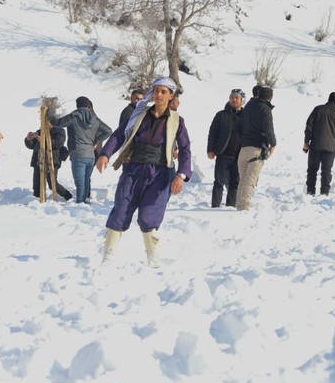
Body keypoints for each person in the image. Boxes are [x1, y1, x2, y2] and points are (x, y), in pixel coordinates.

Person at [96, 77, 192, 267]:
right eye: (156, 90)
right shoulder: (139, 115)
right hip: (133, 170)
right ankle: (108, 255)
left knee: (149, 215)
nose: (158, 95)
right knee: (121, 209)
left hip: (160, 173)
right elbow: (118, 134)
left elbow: (186, 149)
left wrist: (182, 174)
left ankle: (152, 256)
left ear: (171, 95)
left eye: (163, 91)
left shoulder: (177, 121)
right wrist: (105, 153)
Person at [47, 96, 112, 204]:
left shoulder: (73, 116)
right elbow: (108, 131)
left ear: (77, 105)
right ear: (88, 105)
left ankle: (80, 203)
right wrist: (96, 140)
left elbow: (57, 123)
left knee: (80, 182)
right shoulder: (95, 119)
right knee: (86, 180)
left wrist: (48, 113)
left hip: (78, 153)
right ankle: (84, 201)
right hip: (91, 155)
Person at [234, 86, 276, 210]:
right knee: (250, 181)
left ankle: (239, 206)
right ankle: (244, 208)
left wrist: (244, 139)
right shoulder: (265, 109)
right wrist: (273, 144)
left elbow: (237, 127)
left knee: (243, 180)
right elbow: (268, 129)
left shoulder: (247, 107)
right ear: (270, 98)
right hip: (256, 149)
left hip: (243, 149)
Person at [303, 92, 335, 195]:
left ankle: (310, 192)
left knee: (312, 170)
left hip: (315, 146)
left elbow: (308, 126)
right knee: (326, 171)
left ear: (328, 99)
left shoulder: (318, 109)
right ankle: (324, 193)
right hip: (331, 148)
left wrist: (306, 142)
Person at [206, 88, 244, 208]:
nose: (233, 100)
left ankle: (230, 208)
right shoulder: (221, 115)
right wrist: (210, 149)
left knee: (234, 183)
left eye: (236, 97)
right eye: (232, 97)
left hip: (239, 155)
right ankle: (215, 206)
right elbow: (213, 133)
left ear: (242, 100)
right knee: (218, 182)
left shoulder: (246, 116)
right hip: (223, 154)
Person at [24, 127, 72, 201]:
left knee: (52, 182)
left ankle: (67, 195)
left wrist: (43, 141)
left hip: (52, 159)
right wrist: (28, 139)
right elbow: (32, 145)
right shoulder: (40, 131)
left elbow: (58, 143)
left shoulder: (59, 131)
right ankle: (37, 200)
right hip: (39, 159)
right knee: (37, 182)